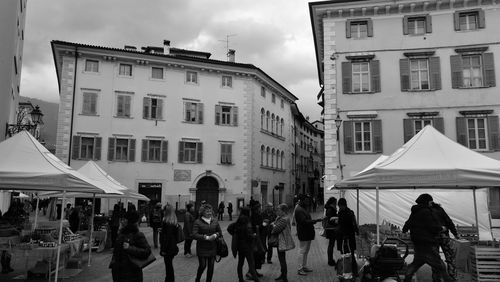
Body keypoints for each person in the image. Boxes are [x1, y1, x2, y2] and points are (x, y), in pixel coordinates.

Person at [402, 193, 454, 282]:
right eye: (430, 202)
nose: (431, 204)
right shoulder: (426, 212)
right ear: (426, 202)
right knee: (441, 266)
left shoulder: (415, 212)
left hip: (418, 244)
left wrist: (406, 230)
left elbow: (406, 226)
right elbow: (433, 227)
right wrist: (442, 228)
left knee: (415, 264)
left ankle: (406, 279)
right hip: (428, 244)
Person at [109, 210, 152, 282]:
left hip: (132, 274)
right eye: (122, 219)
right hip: (119, 273)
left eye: (124, 219)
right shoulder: (121, 235)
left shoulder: (137, 235)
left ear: (129, 222)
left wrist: (130, 248)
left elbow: (147, 251)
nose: (122, 221)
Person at [227, 207, 260, 282]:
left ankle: (240, 279)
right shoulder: (247, 221)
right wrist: (254, 236)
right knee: (251, 264)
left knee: (240, 263)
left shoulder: (239, 220)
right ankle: (256, 280)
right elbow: (248, 235)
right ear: (247, 212)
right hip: (247, 246)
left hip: (240, 246)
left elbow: (229, 228)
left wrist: (234, 234)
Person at [430, 199, 459, 282]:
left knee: (434, 259)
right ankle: (453, 278)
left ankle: (436, 279)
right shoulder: (440, 209)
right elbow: (449, 221)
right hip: (444, 236)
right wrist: (455, 234)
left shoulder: (426, 211)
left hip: (433, 238)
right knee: (450, 258)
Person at [192, 204, 222, 282]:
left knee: (211, 266)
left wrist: (215, 235)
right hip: (202, 247)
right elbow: (194, 234)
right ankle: (197, 279)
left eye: (210, 211)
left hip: (212, 247)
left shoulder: (215, 220)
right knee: (202, 265)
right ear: (202, 212)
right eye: (207, 211)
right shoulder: (197, 222)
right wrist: (206, 237)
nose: (209, 213)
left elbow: (220, 232)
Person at [294, 194, 322, 276]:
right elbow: (303, 222)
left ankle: (304, 266)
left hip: (307, 232)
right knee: (302, 251)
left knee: (305, 251)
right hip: (303, 233)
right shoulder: (299, 209)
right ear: (302, 200)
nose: (308, 201)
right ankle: (300, 268)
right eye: (306, 200)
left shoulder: (302, 208)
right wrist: (316, 220)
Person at [270, 204, 295, 282]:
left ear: (283, 211)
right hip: (280, 240)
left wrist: (273, 225)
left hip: (281, 241)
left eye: (279, 210)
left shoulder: (284, 219)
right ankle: (282, 275)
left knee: (282, 259)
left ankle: (284, 277)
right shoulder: (280, 218)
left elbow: (276, 229)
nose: (277, 211)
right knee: (281, 259)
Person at [336, 198, 359, 276]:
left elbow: (350, 224)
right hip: (347, 237)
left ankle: (349, 271)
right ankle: (350, 271)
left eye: (340, 206)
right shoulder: (349, 212)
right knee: (348, 254)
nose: (339, 208)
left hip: (346, 238)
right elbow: (354, 224)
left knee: (348, 255)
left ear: (343, 205)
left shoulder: (345, 213)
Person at [160, 205, 179, 282]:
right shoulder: (174, 222)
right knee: (169, 264)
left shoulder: (167, 222)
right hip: (173, 246)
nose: (163, 212)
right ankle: (169, 279)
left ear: (167, 212)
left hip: (168, 247)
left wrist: (163, 249)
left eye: (164, 210)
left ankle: (169, 279)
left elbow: (167, 238)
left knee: (168, 265)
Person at [250, 201, 265, 278]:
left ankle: (254, 271)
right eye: (259, 207)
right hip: (256, 238)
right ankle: (251, 272)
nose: (260, 208)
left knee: (257, 255)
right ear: (256, 208)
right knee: (255, 255)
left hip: (259, 237)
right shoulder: (254, 216)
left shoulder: (258, 215)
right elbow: (255, 226)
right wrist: (262, 225)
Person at [324, 197, 338, 266]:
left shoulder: (330, 208)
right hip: (331, 229)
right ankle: (330, 260)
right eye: (336, 202)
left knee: (331, 245)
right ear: (333, 202)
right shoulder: (330, 209)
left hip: (330, 229)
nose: (336, 203)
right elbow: (330, 220)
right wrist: (336, 220)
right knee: (331, 245)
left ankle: (330, 260)